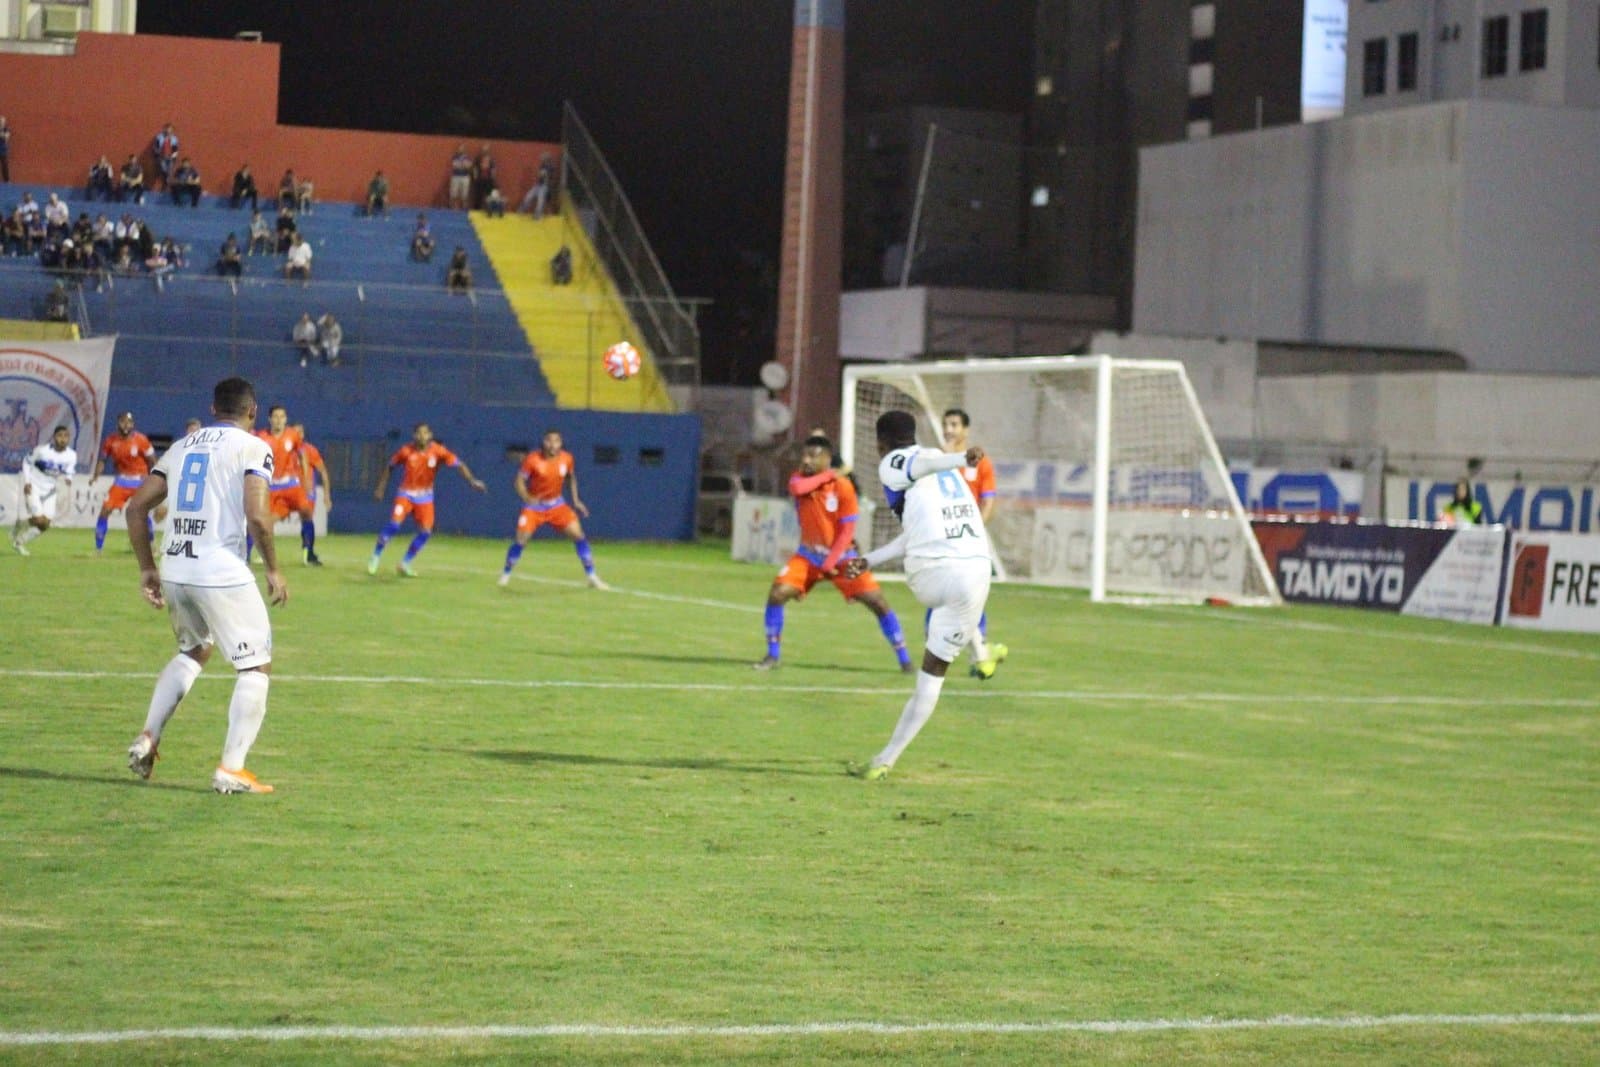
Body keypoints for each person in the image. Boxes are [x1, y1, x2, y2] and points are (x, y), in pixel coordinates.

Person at [123, 377, 287, 794]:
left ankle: (148, 736)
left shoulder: (181, 446)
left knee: (195, 649)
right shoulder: (254, 447)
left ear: (213, 410)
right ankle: (232, 768)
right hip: (220, 569)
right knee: (255, 666)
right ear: (253, 412)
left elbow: (136, 506)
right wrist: (273, 568)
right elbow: (257, 514)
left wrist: (147, 569)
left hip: (176, 566)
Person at [841, 410, 994, 780]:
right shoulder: (945, 475)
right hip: (977, 575)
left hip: (935, 574)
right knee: (933, 675)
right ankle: (884, 761)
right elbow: (918, 528)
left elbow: (919, 464)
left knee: (931, 600)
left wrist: (961, 457)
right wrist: (871, 560)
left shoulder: (895, 461)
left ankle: (884, 760)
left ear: (881, 443)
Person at [753, 435, 911, 673]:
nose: (806, 460)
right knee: (777, 594)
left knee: (877, 602)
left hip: (842, 557)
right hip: (808, 556)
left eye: (813, 456)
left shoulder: (843, 487)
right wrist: (827, 474)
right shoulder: (800, 479)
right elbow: (797, 488)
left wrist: (831, 560)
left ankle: (905, 659)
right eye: (804, 455)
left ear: (827, 458)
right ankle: (772, 655)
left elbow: (847, 530)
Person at [368, 423, 486, 577]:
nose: (422, 436)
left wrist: (472, 480)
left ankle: (405, 563)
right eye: (418, 433)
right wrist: (380, 488)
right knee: (394, 525)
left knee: (426, 532)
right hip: (406, 494)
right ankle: (376, 556)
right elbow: (390, 466)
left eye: (425, 433)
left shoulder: (438, 451)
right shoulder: (406, 451)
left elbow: (459, 464)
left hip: (425, 497)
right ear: (414, 436)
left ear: (430, 435)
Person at [940, 408, 1007, 679]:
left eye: (954, 425)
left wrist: (975, 529)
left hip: (970, 539)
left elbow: (988, 500)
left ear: (966, 430)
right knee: (956, 597)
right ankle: (983, 651)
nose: (949, 430)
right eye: (946, 424)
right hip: (944, 537)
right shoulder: (940, 460)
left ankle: (980, 653)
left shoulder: (980, 462)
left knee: (957, 597)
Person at [498, 429, 607, 589]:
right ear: (543, 442)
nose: (552, 444)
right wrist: (527, 497)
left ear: (561, 443)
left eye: (556, 441)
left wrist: (576, 500)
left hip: (557, 505)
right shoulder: (532, 459)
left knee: (579, 535)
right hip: (534, 507)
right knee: (521, 540)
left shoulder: (567, 458)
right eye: (549, 440)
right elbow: (519, 482)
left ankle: (591, 576)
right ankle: (506, 574)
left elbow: (571, 478)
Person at [255, 405, 321, 565]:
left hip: (291, 485)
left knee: (306, 512)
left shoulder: (292, 435)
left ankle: (309, 553)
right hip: (272, 488)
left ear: (286, 419)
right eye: (275, 417)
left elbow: (302, 454)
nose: (279, 420)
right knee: (267, 523)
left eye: (282, 417)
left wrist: (306, 479)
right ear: (270, 419)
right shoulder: (261, 437)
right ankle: (262, 555)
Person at [91, 410, 156, 555]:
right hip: (121, 482)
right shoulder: (111, 441)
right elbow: (103, 459)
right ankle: (98, 549)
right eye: (123, 422)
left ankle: (151, 545)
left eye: (129, 422)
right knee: (105, 511)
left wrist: (155, 478)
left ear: (133, 424)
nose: (126, 425)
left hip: (140, 481)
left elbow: (152, 460)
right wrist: (96, 474)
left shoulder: (141, 440)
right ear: (118, 423)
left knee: (142, 514)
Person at [11, 425, 77, 555]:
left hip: (50, 491)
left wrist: (69, 478)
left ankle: (19, 541)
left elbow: (70, 470)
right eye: (60, 436)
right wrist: (27, 482)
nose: (63, 439)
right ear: (54, 437)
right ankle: (18, 528)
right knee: (38, 520)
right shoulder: (42, 451)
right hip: (34, 487)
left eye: (66, 436)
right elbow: (26, 462)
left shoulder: (72, 455)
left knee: (45, 525)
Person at [151, 123, 179, 190]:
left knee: (170, 170)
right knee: (163, 168)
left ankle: (167, 183)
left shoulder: (174, 139)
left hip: (170, 157)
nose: (168, 132)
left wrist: (173, 156)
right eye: (167, 130)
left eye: (170, 130)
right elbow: (156, 147)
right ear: (164, 130)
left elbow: (175, 149)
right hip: (161, 156)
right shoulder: (159, 137)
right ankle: (166, 179)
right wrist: (158, 155)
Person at [448, 144, 472, 210]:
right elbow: (455, 166)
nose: (461, 150)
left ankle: (464, 207)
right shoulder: (455, 157)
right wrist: (463, 165)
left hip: (465, 177)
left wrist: (462, 165)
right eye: (460, 148)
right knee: (454, 193)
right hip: (456, 176)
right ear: (458, 150)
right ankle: (453, 207)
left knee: (464, 194)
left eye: (462, 148)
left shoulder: (468, 157)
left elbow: (468, 166)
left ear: (464, 149)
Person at [0, 115, 10, 182]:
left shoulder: (6, 129)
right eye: (1, 121)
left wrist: (2, 135)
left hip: (3, 150)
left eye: (3, 122)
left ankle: (7, 181)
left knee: (5, 166)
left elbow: (7, 137)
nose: (2, 123)